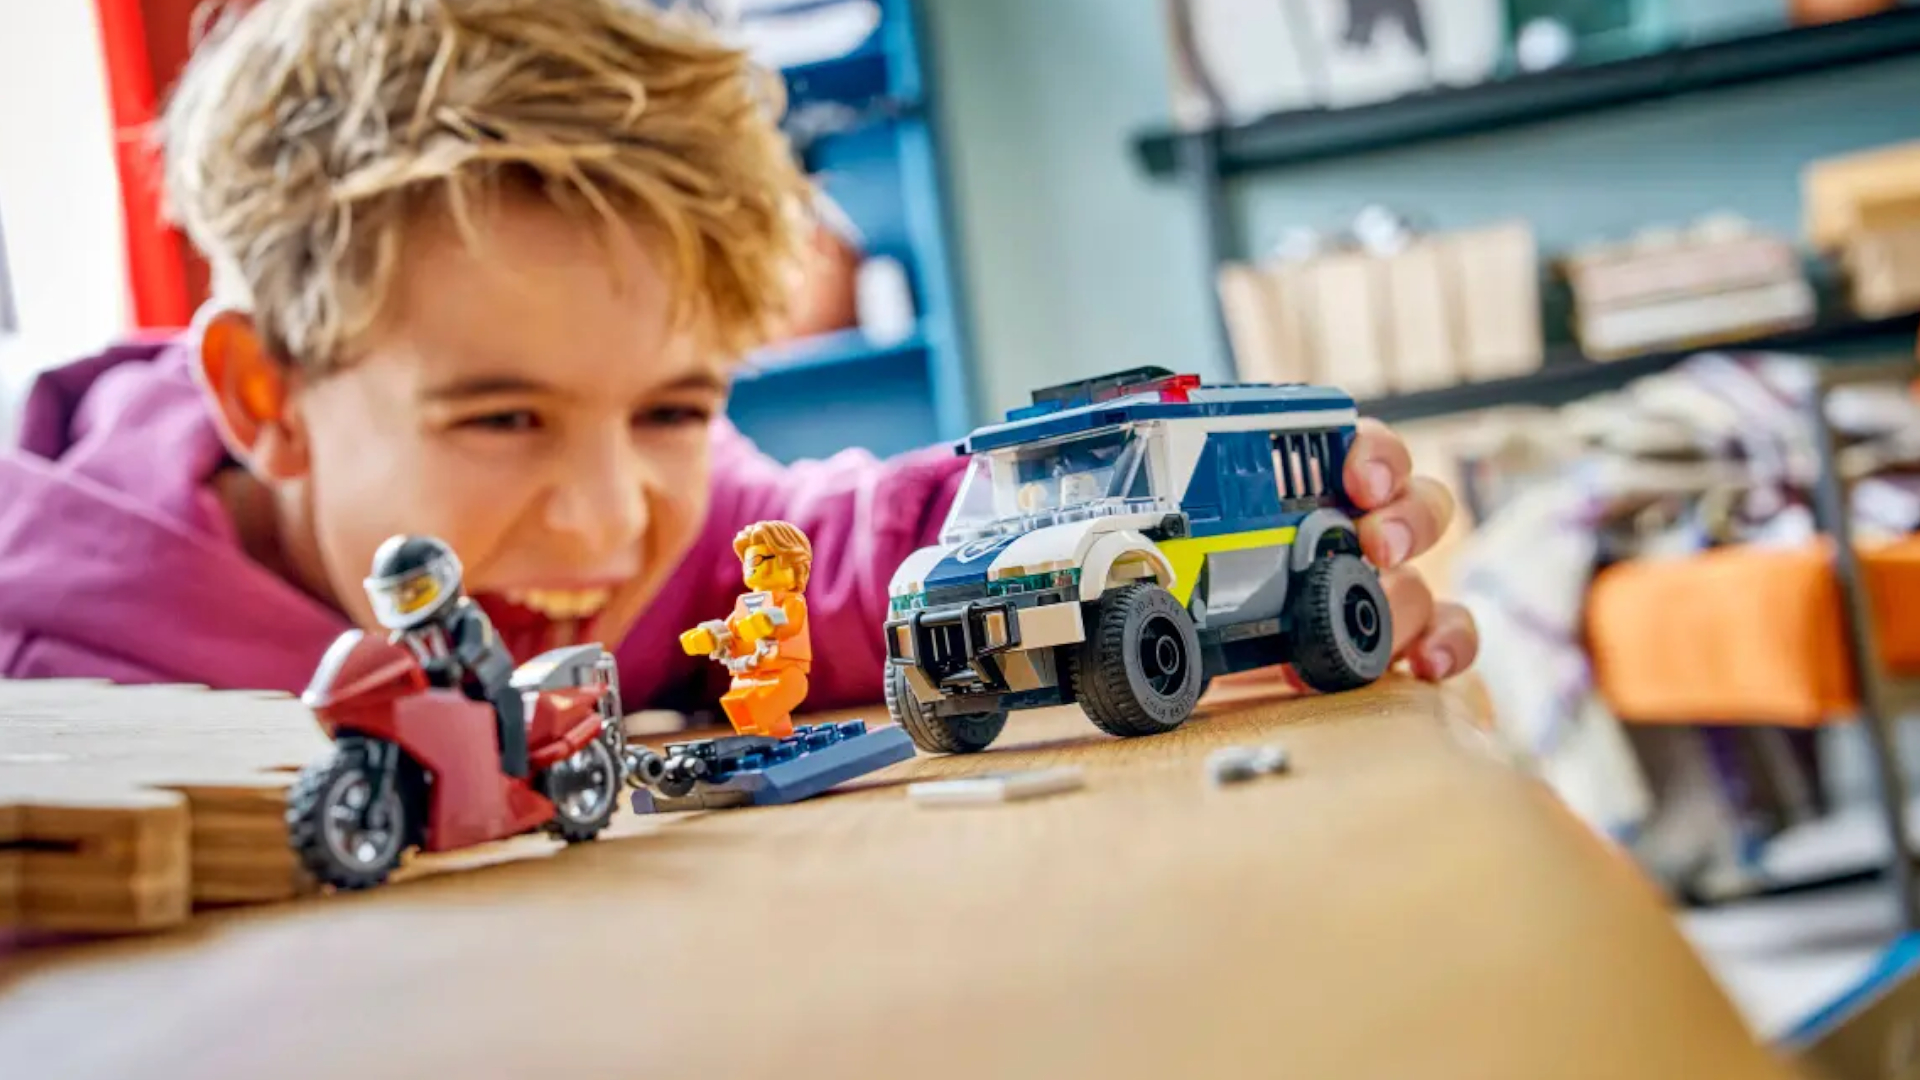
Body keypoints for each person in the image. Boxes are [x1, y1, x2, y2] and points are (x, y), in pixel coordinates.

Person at [0, 0, 1476, 714]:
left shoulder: (666, 544)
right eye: (503, 417)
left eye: (672, 408)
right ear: (271, 400)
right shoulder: (51, 664)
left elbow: (822, 556)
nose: (604, 523)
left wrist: (1205, 574)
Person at [363, 534, 528, 778]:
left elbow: (474, 646)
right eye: (401, 596)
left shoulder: (467, 616)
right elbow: (390, 659)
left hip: (482, 685)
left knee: (508, 705)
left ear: (445, 580)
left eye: (420, 592)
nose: (410, 601)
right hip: (436, 696)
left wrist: (457, 664)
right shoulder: (404, 637)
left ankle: (515, 772)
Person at [680, 520, 813, 740]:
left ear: (790, 562)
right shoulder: (745, 603)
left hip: (786, 674)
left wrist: (767, 624)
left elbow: (790, 623)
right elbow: (729, 629)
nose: (751, 566)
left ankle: (770, 739)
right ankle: (764, 741)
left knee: (759, 707)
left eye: (759, 559)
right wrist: (709, 637)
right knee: (738, 703)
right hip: (748, 673)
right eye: (748, 561)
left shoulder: (791, 602)